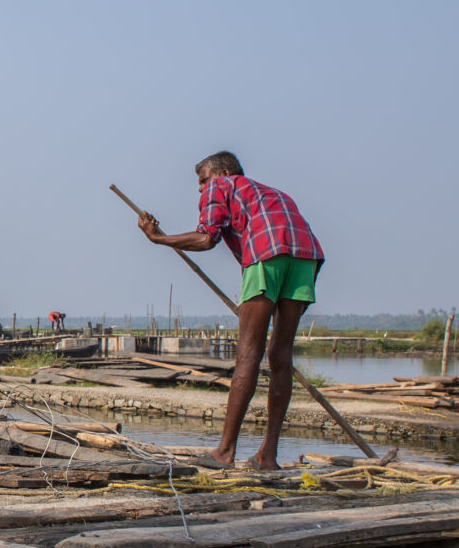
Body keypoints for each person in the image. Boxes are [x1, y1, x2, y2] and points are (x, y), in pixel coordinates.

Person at [138, 151, 323, 470]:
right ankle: (268, 456)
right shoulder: (274, 193)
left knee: (248, 354)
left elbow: (207, 237)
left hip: (267, 255)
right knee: (280, 356)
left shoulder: (221, 186)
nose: (201, 188)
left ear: (223, 172)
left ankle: (224, 452)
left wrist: (159, 239)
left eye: (203, 180)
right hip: (305, 258)